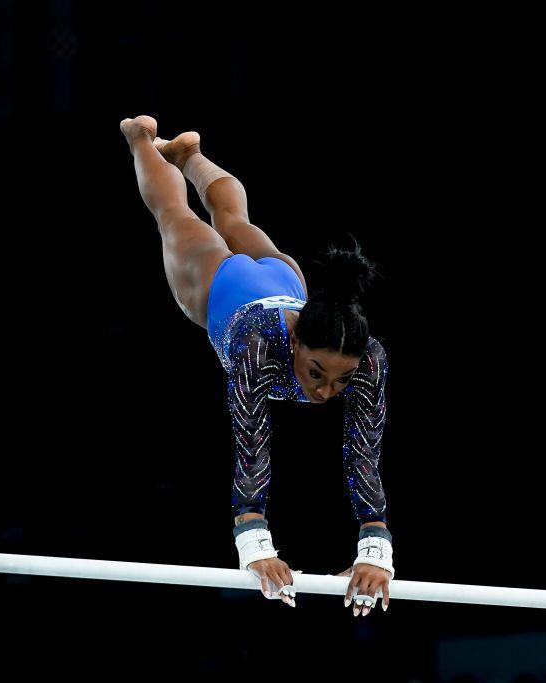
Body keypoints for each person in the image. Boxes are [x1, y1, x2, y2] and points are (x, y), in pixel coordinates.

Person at [120, 115, 394, 617]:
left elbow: (364, 449)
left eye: (342, 379)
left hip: (282, 281)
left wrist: (375, 548)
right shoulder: (256, 349)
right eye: (315, 373)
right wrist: (254, 540)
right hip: (219, 289)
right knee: (175, 214)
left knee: (236, 223)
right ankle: (140, 138)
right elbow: (252, 439)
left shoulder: (366, 354)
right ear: (294, 339)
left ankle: (188, 153)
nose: (327, 392)